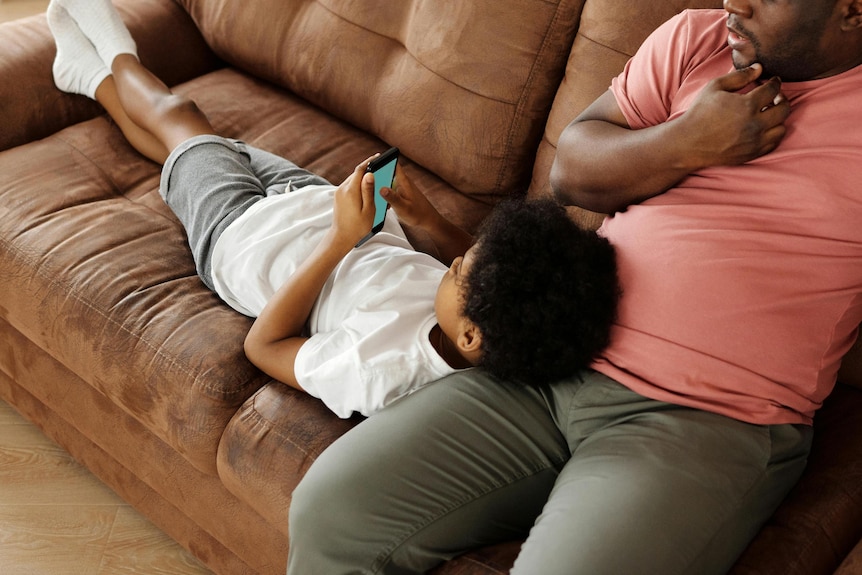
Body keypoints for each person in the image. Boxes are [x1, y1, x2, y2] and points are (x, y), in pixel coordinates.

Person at [282, 1, 862, 574]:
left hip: (708, 418)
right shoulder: (696, 39)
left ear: (851, 11)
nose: (735, 2)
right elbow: (571, 172)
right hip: (553, 360)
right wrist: (688, 141)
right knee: (329, 512)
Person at [45, 0, 620, 419]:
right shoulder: (482, 316)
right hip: (311, 200)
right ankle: (91, 79)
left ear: (469, 336)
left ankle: (112, 47)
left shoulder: (380, 370)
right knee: (186, 146)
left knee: (182, 116)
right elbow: (461, 261)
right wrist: (423, 219)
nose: (454, 259)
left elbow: (264, 347)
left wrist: (341, 241)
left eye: (456, 269)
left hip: (243, 238)